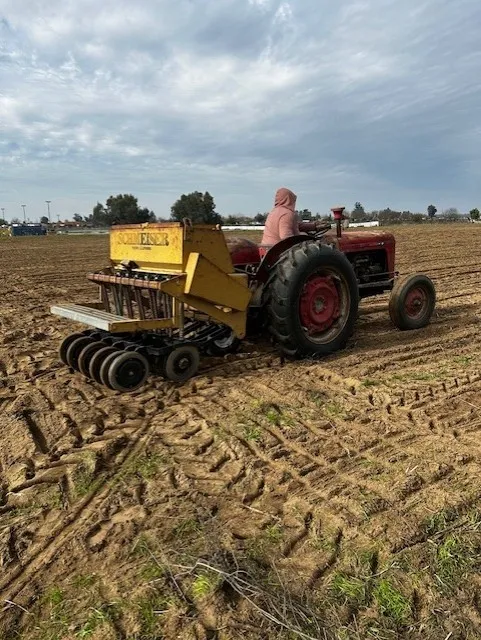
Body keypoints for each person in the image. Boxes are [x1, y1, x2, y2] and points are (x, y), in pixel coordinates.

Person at [261, 187, 326, 246]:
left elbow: (295, 225)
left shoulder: (273, 212)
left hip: (267, 247)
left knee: (303, 234)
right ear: (289, 200)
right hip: (279, 251)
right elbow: (286, 237)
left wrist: (314, 226)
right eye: (293, 201)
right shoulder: (287, 213)